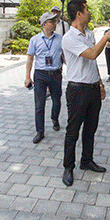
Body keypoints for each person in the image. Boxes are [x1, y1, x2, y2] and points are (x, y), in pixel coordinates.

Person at [61, 0, 110, 186]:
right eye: (87, 9)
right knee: (73, 130)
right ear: (79, 14)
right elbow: (92, 54)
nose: (90, 12)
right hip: (77, 90)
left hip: (92, 88)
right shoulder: (69, 38)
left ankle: (86, 160)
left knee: (91, 129)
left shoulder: (89, 34)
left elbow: (93, 62)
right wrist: (105, 38)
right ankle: (68, 166)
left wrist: (100, 84)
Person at [25, 11, 64, 144]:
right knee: (39, 104)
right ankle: (40, 131)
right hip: (40, 75)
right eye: (52, 22)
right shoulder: (34, 40)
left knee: (57, 101)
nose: (55, 24)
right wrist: (27, 77)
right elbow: (30, 59)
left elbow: (64, 56)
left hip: (56, 74)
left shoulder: (60, 39)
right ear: (44, 24)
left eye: (55, 21)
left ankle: (54, 118)